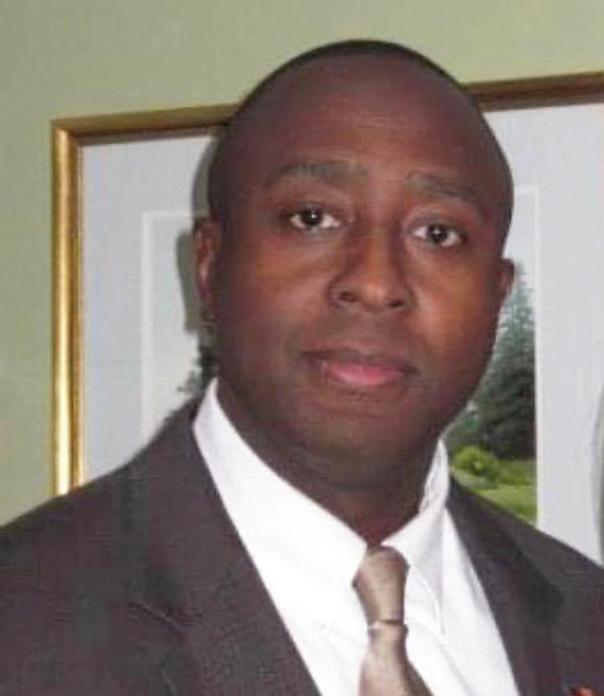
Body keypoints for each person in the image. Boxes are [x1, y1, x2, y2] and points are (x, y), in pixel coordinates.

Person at [1, 40, 603, 696]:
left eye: (438, 233)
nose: (375, 283)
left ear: (497, 294)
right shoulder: (24, 623)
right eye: (312, 218)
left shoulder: (586, 619)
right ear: (209, 265)